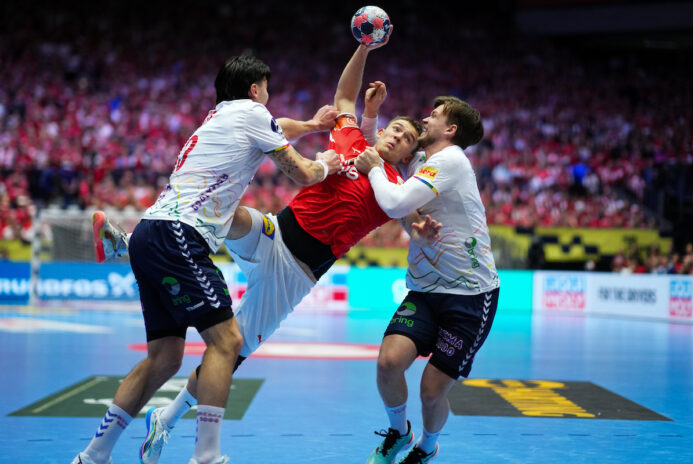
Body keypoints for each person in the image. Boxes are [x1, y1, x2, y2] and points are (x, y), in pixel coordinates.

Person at [93, 33, 427, 464]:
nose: (397, 135)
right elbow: (344, 96)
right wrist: (364, 49)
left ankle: (167, 418)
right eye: (395, 127)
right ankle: (129, 244)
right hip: (276, 231)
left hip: (295, 272)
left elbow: (411, 217)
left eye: (406, 138)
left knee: (229, 353)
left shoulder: (395, 185)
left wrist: (420, 219)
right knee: (225, 210)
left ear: (408, 154)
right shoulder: (353, 140)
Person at [72, 54, 342, 464]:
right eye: (266, 89)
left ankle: (92, 456)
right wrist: (325, 164)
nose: (268, 97)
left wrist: (309, 125)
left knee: (164, 359)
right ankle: (206, 457)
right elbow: (302, 173)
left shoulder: (218, 118)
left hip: (150, 232)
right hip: (180, 235)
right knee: (227, 341)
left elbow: (278, 127)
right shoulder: (253, 113)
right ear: (255, 90)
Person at [354, 96, 500, 464]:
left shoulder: (451, 160)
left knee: (432, 391)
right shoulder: (420, 159)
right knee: (388, 364)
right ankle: (399, 432)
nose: (425, 118)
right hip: (423, 289)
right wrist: (371, 112)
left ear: (450, 129)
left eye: (433, 116)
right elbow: (379, 147)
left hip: (469, 296)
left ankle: (426, 446)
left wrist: (375, 170)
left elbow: (394, 202)